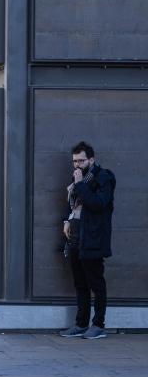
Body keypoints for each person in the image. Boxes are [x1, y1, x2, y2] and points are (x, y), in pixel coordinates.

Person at [59, 141, 116, 340]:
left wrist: (81, 184)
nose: (77, 165)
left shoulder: (104, 178)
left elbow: (98, 204)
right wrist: (66, 220)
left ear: (91, 160)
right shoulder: (78, 179)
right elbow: (72, 203)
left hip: (93, 238)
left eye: (81, 160)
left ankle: (98, 325)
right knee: (80, 283)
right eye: (75, 161)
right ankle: (81, 324)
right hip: (75, 237)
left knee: (96, 283)